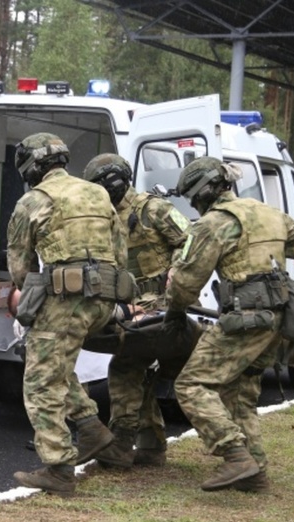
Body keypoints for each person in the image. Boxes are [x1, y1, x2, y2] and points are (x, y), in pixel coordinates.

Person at [164, 156, 294, 493]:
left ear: (203, 193)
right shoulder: (268, 213)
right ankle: (255, 474)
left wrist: (174, 310)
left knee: (191, 385)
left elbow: (185, 285)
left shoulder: (212, 225)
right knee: (240, 393)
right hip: (278, 319)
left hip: (245, 320)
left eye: (193, 198)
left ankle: (234, 454)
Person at [7, 133, 131, 495]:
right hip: (105, 299)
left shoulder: (32, 201)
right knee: (56, 366)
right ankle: (91, 427)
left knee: (39, 381)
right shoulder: (98, 194)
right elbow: (120, 252)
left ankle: (59, 468)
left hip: (67, 300)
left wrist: (37, 291)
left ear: (31, 167)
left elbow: (19, 267)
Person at [81, 153, 193, 469]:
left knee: (125, 370)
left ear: (112, 183)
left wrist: (177, 272)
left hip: (160, 307)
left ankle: (119, 448)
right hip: (129, 308)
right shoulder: (102, 218)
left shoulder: (153, 209)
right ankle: (151, 447)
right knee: (137, 374)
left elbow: (190, 240)